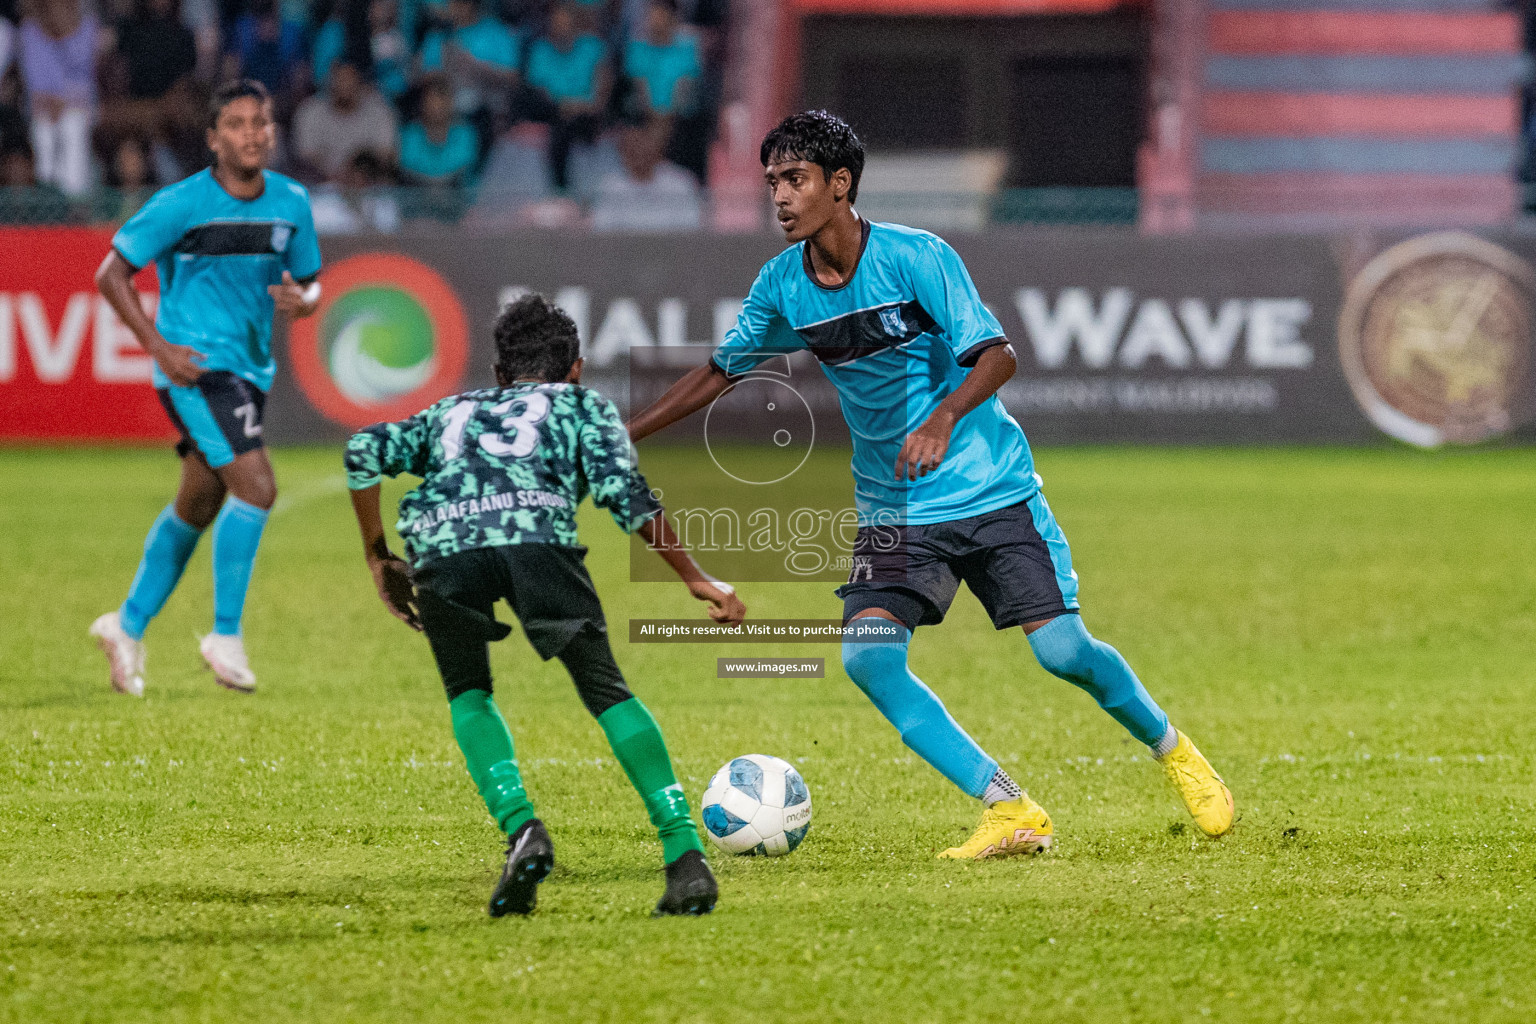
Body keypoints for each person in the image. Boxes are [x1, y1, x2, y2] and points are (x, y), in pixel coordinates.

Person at [626, 111, 1236, 858]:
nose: (778, 197)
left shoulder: (918, 257)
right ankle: (1009, 808)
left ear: (839, 183)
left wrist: (944, 416)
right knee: (870, 658)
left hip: (990, 490)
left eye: (795, 180)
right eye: (771, 183)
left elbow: (999, 354)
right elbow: (721, 370)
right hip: (895, 507)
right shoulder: (782, 285)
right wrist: (626, 434)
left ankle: (1174, 749)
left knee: (1064, 653)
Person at [343, 292, 736, 917]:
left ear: (498, 374)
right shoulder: (583, 405)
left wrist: (377, 556)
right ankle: (685, 856)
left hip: (446, 542)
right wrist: (694, 577)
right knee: (605, 689)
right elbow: (623, 492)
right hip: (538, 538)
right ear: (576, 367)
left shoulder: (453, 410)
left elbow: (362, 453)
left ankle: (522, 827)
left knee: (469, 692)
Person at [88, 79, 321, 696]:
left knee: (199, 503)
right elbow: (111, 273)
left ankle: (127, 624)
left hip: (250, 370)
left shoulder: (292, 202)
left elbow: (312, 282)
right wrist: (159, 347)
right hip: (193, 368)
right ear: (214, 139)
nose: (252, 134)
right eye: (237, 124)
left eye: (260, 122)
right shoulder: (180, 203)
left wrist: (306, 301)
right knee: (259, 486)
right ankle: (225, 634)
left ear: (273, 131)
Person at [520, 2, 607, 190]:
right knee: (560, 125)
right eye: (557, 22)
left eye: (566, 22)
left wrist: (578, 106)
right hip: (553, 112)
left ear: (576, 24)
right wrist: (563, 106)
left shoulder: (593, 47)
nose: (561, 27)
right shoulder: (540, 50)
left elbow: (601, 95)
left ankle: (574, 191)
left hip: (587, 113)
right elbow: (540, 95)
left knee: (574, 123)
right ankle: (560, 190)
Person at [18, 0, 100, 197]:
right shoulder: (29, 32)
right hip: (41, 109)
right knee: (44, 130)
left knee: (72, 125)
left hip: (80, 108)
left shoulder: (88, 28)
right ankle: (47, 195)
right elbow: (33, 82)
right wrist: (51, 102)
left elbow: (87, 82)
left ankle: (74, 201)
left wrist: (64, 101)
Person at [291, 58, 398, 181]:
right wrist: (338, 177)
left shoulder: (380, 112)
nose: (344, 85)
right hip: (321, 187)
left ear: (360, 83)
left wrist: (358, 171)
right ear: (329, 82)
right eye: (340, 79)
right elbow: (305, 158)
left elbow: (386, 155)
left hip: (370, 187)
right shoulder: (310, 111)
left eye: (349, 79)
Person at [590, 119, 699, 231]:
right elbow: (603, 232)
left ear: (655, 146)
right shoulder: (610, 186)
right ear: (622, 151)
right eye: (631, 147)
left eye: (642, 145)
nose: (638, 151)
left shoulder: (680, 183)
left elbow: (690, 230)